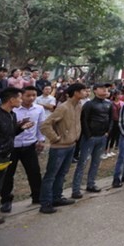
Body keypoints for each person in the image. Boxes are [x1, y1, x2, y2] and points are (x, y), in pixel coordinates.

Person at [39, 83, 86, 214]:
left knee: (62, 173)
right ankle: (45, 202)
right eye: (83, 91)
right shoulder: (63, 107)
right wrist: (55, 138)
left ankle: (57, 197)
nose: (85, 93)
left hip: (71, 145)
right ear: (76, 92)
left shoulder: (78, 106)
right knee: (51, 175)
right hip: (59, 147)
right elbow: (45, 125)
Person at [0, 86, 45, 213]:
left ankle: (37, 196)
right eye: (27, 96)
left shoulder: (38, 109)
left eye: (34, 95)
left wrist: (40, 139)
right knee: (8, 175)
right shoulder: (9, 112)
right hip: (11, 148)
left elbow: (41, 125)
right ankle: (6, 201)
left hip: (29, 146)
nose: (31, 98)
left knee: (34, 172)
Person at [0, 88, 34, 224]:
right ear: (11, 100)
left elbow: (10, 134)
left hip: (5, 156)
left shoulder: (11, 115)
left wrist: (21, 128)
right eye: (19, 98)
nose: (21, 100)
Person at [71, 82, 112, 198]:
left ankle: (91, 183)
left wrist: (107, 132)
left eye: (106, 89)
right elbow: (84, 120)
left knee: (96, 162)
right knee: (82, 163)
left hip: (102, 137)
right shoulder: (89, 104)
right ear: (95, 90)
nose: (105, 90)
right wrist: (88, 135)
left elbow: (110, 119)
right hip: (90, 138)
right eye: (102, 88)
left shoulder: (108, 104)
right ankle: (76, 189)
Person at [104, 90, 123, 159]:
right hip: (112, 121)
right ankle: (105, 151)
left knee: (115, 136)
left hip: (118, 121)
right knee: (109, 136)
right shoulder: (110, 103)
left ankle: (110, 150)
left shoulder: (122, 103)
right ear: (114, 95)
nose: (119, 96)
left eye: (120, 95)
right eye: (117, 95)